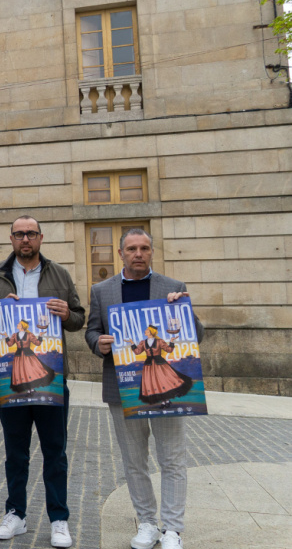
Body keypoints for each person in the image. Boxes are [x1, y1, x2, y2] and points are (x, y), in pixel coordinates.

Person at [85, 228, 203, 549]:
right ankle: (148, 522)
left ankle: (173, 528)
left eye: (145, 248)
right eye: (132, 248)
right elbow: (92, 330)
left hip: (165, 388)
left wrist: (184, 310)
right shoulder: (101, 290)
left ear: (152, 252)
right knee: (134, 460)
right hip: (123, 388)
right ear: (121, 253)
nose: (139, 253)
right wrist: (100, 343)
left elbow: (197, 335)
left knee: (172, 458)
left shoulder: (173, 288)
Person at [0, 216, 83, 548]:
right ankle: (16, 514)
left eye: (30, 234)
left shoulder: (59, 274)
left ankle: (59, 519)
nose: (25, 239)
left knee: (55, 451)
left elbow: (79, 318)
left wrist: (66, 314)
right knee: (15, 452)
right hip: (9, 378)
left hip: (51, 379)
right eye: (19, 234)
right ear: (11, 238)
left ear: (40, 238)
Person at [129, 325, 193, 406]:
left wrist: (172, 341)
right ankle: (164, 402)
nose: (145, 331)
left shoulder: (159, 341)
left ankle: (167, 401)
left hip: (160, 365)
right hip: (149, 366)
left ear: (151, 332)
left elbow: (169, 350)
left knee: (163, 382)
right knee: (154, 384)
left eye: (147, 330)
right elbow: (137, 352)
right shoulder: (143, 342)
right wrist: (132, 343)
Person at [2, 319, 54, 393]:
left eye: (19, 324)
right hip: (18, 357)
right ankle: (29, 391)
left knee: (30, 371)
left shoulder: (29, 335)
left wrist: (40, 336)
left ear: (22, 326)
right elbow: (9, 344)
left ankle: (32, 389)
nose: (17, 325)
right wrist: (6, 336)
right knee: (22, 372)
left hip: (28, 356)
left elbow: (37, 343)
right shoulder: (15, 335)